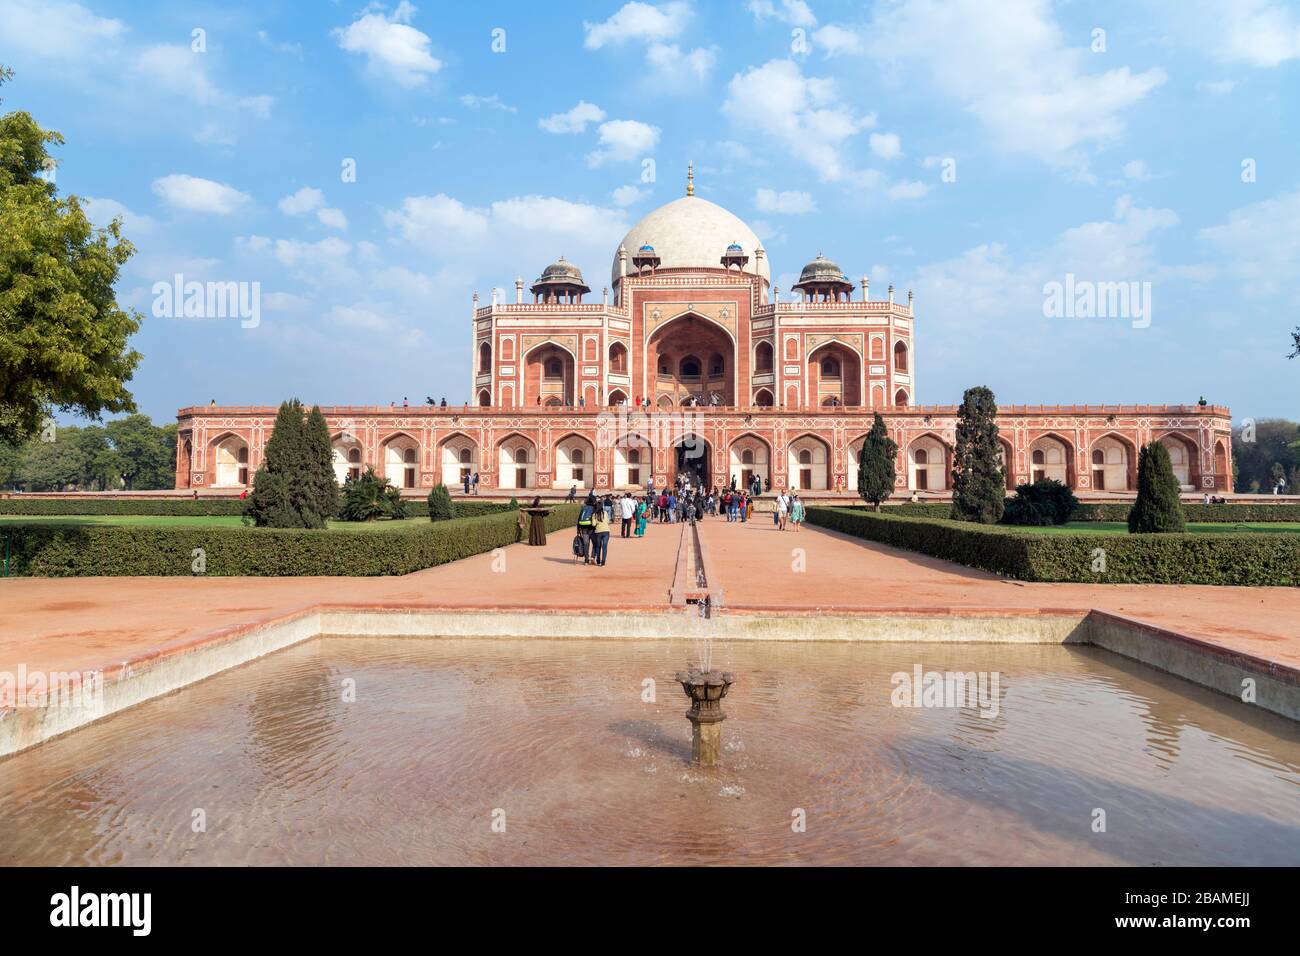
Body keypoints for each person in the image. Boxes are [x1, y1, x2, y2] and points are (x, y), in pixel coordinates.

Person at [577, 494, 596, 565]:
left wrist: (578, 529)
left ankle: (586, 560)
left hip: (583, 528)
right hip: (592, 528)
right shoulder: (594, 507)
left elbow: (579, 518)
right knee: (595, 543)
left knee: (586, 544)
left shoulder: (584, 507)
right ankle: (593, 557)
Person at [592, 499, 611, 566]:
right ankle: (603, 562)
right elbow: (608, 521)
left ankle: (598, 560)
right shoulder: (605, 513)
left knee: (598, 546)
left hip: (598, 531)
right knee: (604, 547)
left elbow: (593, 524)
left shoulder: (594, 514)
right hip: (606, 531)